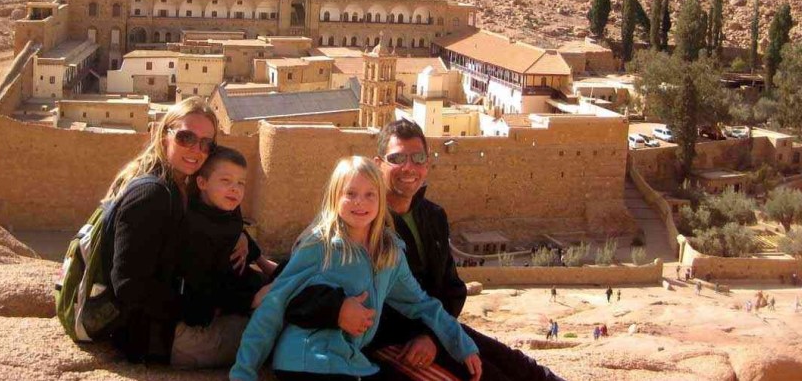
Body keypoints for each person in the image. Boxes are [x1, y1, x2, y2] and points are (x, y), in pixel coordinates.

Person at [282, 120, 562, 381]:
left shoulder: (433, 217)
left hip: (435, 330)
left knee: (524, 369)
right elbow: (292, 286)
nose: (409, 167)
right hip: (390, 342)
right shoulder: (360, 221)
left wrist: (433, 335)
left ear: (427, 164)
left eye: (418, 158)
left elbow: (451, 289)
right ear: (378, 164)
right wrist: (337, 309)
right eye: (397, 158)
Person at [229, 156, 482, 381]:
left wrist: (463, 345)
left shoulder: (389, 251)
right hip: (307, 358)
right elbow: (274, 303)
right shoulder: (321, 245)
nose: (360, 203)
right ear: (335, 198)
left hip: (350, 361)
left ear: (380, 199)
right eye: (350, 194)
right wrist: (244, 371)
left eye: (369, 194)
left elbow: (421, 303)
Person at [101, 97, 245, 365]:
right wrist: (192, 311)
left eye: (206, 143)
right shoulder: (152, 195)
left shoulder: (178, 184)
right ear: (164, 134)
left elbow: (217, 207)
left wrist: (241, 235)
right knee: (267, 334)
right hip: (153, 335)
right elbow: (129, 285)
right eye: (186, 137)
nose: (196, 149)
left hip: (164, 323)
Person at [175, 145, 278, 368]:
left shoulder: (226, 208)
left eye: (241, 183)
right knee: (278, 326)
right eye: (226, 181)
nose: (235, 189)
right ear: (202, 183)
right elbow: (200, 295)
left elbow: (233, 231)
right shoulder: (195, 231)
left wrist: (262, 262)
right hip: (211, 311)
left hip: (238, 284)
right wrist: (251, 300)